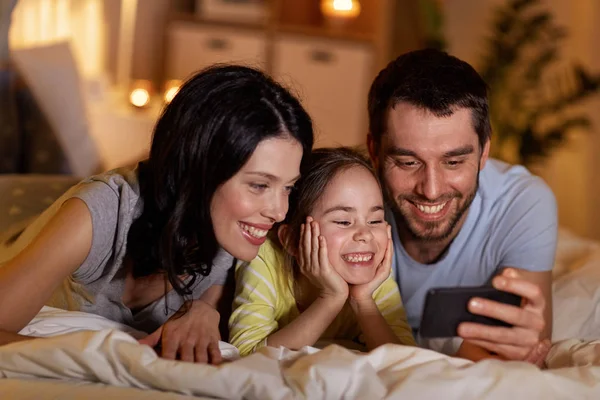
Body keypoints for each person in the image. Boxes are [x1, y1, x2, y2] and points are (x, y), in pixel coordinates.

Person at [0, 65, 314, 364]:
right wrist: (102, 357)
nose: (279, 211)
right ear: (200, 171)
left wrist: (204, 311)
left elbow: (207, 306)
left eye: (288, 188)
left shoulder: (232, 237)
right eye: (259, 185)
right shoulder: (97, 216)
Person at [366, 48, 556, 364]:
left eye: (453, 162)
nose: (431, 189)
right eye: (407, 161)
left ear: (484, 152)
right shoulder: (343, 195)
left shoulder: (522, 202)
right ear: (374, 150)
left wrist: (522, 346)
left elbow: (527, 345)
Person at [229, 147, 416, 356]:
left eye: (375, 220)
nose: (366, 235)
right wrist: (331, 298)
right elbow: (246, 357)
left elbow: (407, 359)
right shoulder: (263, 258)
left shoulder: (373, 271)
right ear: (291, 240)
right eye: (343, 221)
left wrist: (363, 301)